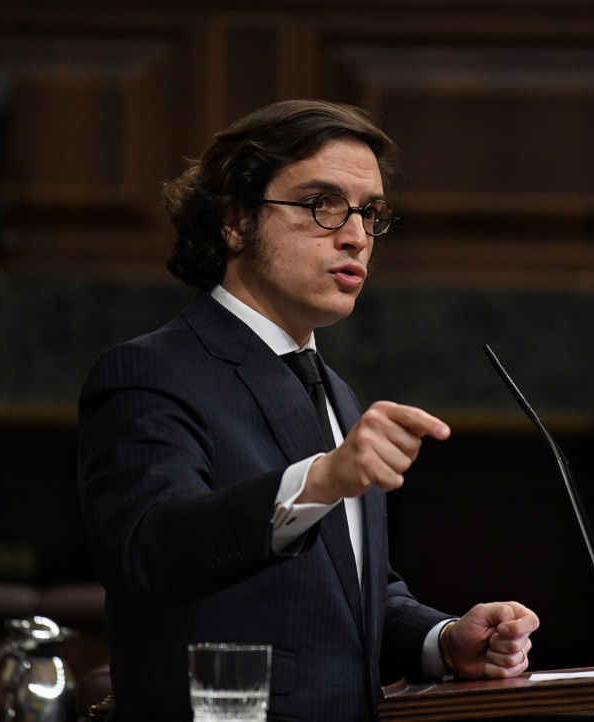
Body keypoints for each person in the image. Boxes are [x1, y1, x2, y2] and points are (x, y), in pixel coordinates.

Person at [76, 99, 539, 721]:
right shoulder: (150, 371)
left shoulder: (336, 392)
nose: (355, 235)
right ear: (236, 222)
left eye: (369, 213)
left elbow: (344, 596)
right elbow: (151, 550)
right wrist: (321, 478)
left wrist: (445, 641)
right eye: (322, 204)